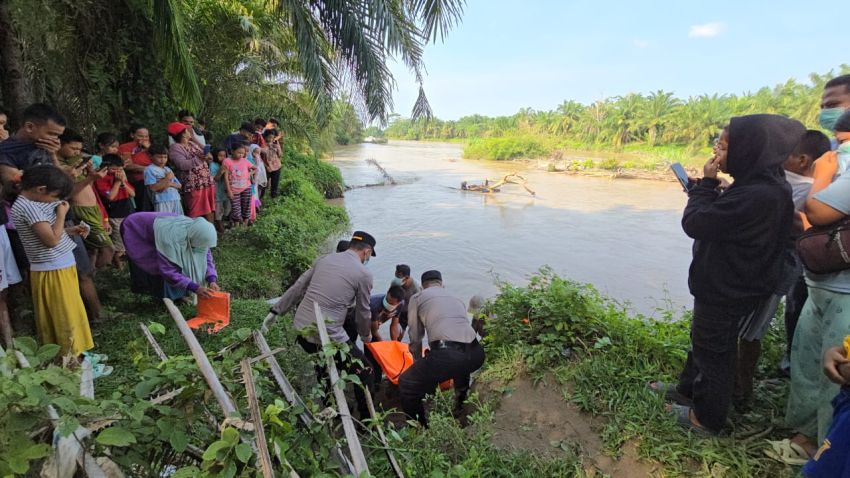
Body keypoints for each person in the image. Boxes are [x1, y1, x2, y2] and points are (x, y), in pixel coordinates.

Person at [650, 114, 805, 434]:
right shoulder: (765, 186)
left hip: (726, 285)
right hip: (733, 281)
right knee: (705, 342)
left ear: (749, 150)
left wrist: (705, 186)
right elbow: (734, 220)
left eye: (722, 146)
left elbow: (695, 223)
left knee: (715, 354)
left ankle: (706, 419)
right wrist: (717, 190)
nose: (716, 153)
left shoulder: (757, 194)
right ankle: (687, 391)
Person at [787, 120, 850, 453]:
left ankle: (826, 447)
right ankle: (806, 436)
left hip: (845, 292)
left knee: (835, 375)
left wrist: (822, 173)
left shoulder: (833, 167)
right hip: (820, 282)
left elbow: (815, 211)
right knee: (809, 361)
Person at [265, 231, 377, 418]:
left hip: (302, 330)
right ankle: (367, 419)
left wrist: (276, 310)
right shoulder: (364, 274)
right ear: (366, 251)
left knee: (323, 364)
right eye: (368, 255)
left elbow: (299, 286)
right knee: (365, 371)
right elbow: (363, 311)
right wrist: (366, 336)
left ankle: (332, 409)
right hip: (326, 334)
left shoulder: (324, 259)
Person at [12, 165, 91, 357]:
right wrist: (62, 215)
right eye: (54, 196)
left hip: (60, 264)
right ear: (40, 189)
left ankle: (76, 353)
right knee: (64, 315)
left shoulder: (35, 203)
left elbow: (48, 233)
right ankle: (69, 357)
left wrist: (70, 231)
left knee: (70, 310)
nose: (56, 201)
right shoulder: (29, 207)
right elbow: (51, 241)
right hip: (52, 268)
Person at [400, 270, 485, 426]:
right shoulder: (456, 299)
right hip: (476, 354)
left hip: (449, 355)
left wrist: (418, 364)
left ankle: (419, 428)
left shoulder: (417, 297)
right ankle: (460, 406)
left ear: (424, 286)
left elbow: (415, 336)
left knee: (406, 383)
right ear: (441, 284)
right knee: (459, 363)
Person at [780, 131, 832, 373]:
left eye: (786, 155)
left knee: (796, 304)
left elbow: (800, 219)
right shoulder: (790, 182)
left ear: (802, 160)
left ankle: (795, 361)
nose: (780, 160)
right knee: (793, 305)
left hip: (793, 258)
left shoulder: (808, 190)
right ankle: (792, 355)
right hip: (794, 259)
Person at [121, 212, 220, 301]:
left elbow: (206, 258)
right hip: (135, 228)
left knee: (177, 264)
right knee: (155, 263)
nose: (204, 248)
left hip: (160, 228)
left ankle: (177, 294)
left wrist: (212, 279)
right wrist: (195, 287)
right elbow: (168, 270)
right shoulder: (170, 240)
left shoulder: (198, 232)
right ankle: (157, 294)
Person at [58, 130, 114, 269]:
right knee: (108, 249)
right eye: (73, 148)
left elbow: (87, 186)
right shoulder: (61, 167)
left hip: (93, 208)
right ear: (60, 144)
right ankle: (94, 279)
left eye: (79, 149)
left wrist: (90, 175)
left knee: (93, 250)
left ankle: (92, 275)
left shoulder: (76, 163)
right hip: (81, 210)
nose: (77, 152)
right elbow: (68, 193)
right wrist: (90, 177)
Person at [0, 103, 66, 189]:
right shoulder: (7, 151)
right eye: (51, 134)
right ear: (30, 127)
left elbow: (61, 183)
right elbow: (15, 188)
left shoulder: (44, 145)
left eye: (58, 135)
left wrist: (53, 155)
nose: (55, 139)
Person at [167, 122, 215, 222]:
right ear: (183, 133)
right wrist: (199, 159)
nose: (191, 132)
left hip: (206, 181)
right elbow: (182, 165)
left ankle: (211, 233)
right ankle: (194, 234)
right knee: (195, 212)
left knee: (209, 209)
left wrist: (195, 140)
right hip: (193, 184)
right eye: (188, 130)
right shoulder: (175, 148)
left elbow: (209, 156)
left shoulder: (192, 143)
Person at [95, 154, 136, 267]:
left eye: (120, 169)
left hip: (127, 211)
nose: (116, 172)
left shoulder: (121, 177)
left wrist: (122, 182)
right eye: (114, 169)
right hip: (114, 213)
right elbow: (110, 196)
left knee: (128, 239)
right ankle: (117, 265)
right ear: (105, 167)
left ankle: (122, 264)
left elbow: (132, 193)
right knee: (119, 243)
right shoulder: (101, 179)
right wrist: (117, 182)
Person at [118, 125, 153, 212]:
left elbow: (162, 162)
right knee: (144, 208)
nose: (144, 139)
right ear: (132, 135)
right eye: (140, 136)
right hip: (139, 181)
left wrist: (149, 149)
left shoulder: (151, 148)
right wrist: (151, 169)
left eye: (146, 136)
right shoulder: (125, 147)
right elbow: (129, 166)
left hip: (155, 179)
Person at [144, 144, 182, 214]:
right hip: (161, 200)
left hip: (175, 198)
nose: (163, 160)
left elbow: (179, 186)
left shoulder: (168, 169)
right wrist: (167, 179)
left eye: (165, 157)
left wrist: (167, 183)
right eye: (159, 157)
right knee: (164, 221)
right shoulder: (149, 169)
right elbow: (153, 188)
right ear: (151, 157)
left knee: (178, 221)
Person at [222, 143, 254, 226]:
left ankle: (245, 225)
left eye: (242, 153)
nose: (241, 155)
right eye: (239, 153)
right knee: (236, 209)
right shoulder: (227, 161)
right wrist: (229, 190)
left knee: (246, 206)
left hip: (246, 188)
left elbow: (255, 168)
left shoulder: (245, 160)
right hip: (234, 190)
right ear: (232, 151)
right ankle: (237, 227)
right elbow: (225, 177)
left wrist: (249, 174)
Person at [393, 264, 421, 338]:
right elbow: (390, 296)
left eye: (398, 276)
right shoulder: (395, 282)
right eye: (395, 275)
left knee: (414, 335)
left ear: (407, 278)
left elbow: (420, 305)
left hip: (412, 312)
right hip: (400, 310)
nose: (396, 278)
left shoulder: (416, 289)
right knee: (398, 333)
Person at [208, 147, 230, 232]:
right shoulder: (213, 165)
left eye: (224, 155)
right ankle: (219, 225)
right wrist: (220, 172)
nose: (222, 157)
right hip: (217, 191)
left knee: (227, 208)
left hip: (226, 191)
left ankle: (223, 222)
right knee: (218, 209)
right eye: (220, 156)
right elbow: (215, 179)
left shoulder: (228, 163)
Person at [261, 129, 282, 198]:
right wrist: (266, 167)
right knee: (263, 184)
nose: (271, 139)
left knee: (275, 184)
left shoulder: (275, 143)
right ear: (265, 136)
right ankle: (260, 199)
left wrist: (278, 148)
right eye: (269, 137)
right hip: (267, 167)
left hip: (277, 166)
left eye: (272, 138)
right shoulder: (262, 144)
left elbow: (280, 155)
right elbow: (259, 158)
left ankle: (273, 199)